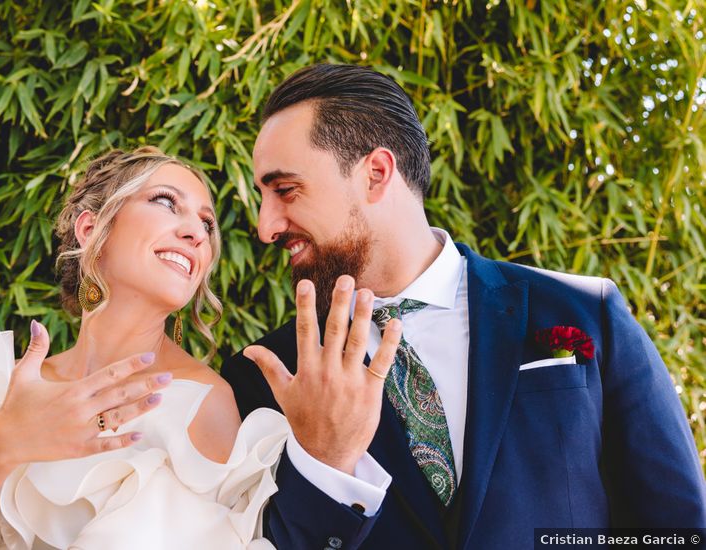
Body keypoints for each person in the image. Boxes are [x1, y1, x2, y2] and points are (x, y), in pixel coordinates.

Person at [0, 147, 365, 549]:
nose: (195, 231)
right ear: (90, 228)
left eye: (206, 224)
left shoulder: (204, 404)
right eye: (166, 203)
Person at [221, 63, 706, 549]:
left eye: (285, 191)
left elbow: (678, 529)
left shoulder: (582, 310)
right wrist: (323, 460)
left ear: (375, 173)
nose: (266, 227)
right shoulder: (265, 376)